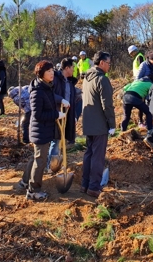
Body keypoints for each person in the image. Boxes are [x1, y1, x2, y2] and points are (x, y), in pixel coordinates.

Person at [20, 60, 66, 200]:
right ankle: (33, 191)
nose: (52, 73)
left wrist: (60, 101)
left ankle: (24, 182)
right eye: (48, 71)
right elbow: (38, 115)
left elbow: (50, 100)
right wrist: (56, 115)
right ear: (41, 74)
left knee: (36, 158)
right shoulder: (37, 92)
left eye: (52, 70)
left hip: (44, 130)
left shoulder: (46, 87)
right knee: (40, 160)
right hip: (40, 130)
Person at [81, 51, 115, 198]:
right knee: (98, 157)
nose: (109, 66)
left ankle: (85, 184)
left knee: (89, 153)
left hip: (88, 122)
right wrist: (112, 124)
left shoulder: (87, 78)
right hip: (99, 124)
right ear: (101, 62)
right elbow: (107, 105)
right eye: (108, 63)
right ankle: (94, 187)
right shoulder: (102, 79)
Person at [48, 57, 77, 170]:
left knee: (61, 140)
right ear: (67, 68)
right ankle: (51, 167)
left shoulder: (70, 82)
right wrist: (60, 100)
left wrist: (73, 115)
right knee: (55, 141)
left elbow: (72, 100)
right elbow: (49, 95)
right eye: (72, 67)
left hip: (66, 115)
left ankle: (58, 164)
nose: (74, 69)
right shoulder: (55, 79)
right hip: (55, 114)